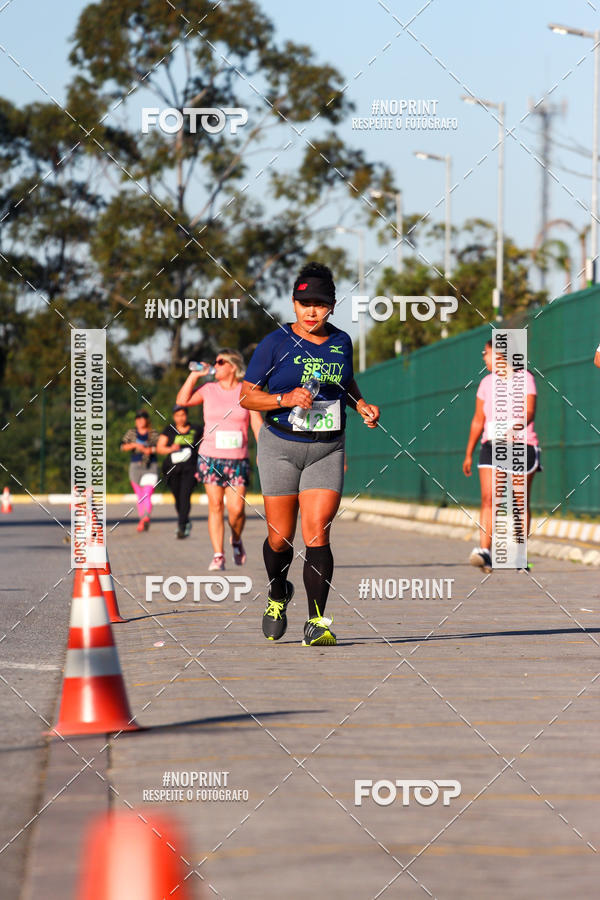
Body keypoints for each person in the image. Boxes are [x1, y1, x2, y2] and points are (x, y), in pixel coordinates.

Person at [239, 261, 380, 647]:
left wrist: (362, 405)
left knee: (317, 532)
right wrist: (284, 397)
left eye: (319, 304)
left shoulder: (341, 342)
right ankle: (276, 593)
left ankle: (317, 622)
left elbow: (344, 383)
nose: (311, 311)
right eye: (304, 304)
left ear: (333, 305)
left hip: (327, 448)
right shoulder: (275, 343)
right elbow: (247, 395)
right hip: (280, 447)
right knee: (280, 537)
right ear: (293, 304)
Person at [176, 349, 263, 570]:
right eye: (215, 361)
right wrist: (195, 375)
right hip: (210, 456)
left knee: (236, 510)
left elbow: (256, 423)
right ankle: (218, 555)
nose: (215, 364)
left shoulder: (246, 391)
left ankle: (236, 540)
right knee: (215, 506)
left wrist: (263, 449)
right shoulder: (208, 389)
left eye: (220, 362)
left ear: (233, 366)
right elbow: (182, 400)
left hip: (237, 459)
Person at [462, 340, 541, 573]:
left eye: (485, 353)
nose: (483, 358)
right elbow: (478, 420)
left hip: (521, 445)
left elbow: (529, 411)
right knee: (489, 498)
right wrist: (468, 452)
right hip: (491, 446)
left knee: (519, 502)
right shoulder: (486, 383)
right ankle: (485, 552)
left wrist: (513, 429)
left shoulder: (525, 378)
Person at [156, 405, 203, 539]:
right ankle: (185, 520)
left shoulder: (196, 429)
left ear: (187, 415)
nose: (180, 418)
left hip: (190, 469)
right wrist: (171, 448)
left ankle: (181, 526)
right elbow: (160, 448)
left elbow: (206, 440)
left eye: (183, 415)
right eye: (177, 415)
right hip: (172, 469)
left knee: (185, 496)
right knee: (177, 497)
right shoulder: (169, 430)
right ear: (174, 417)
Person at [120, 410, 160, 531]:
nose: (140, 421)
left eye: (143, 418)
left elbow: (161, 447)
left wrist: (151, 450)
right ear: (135, 421)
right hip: (135, 467)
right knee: (140, 495)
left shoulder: (153, 433)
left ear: (147, 420)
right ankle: (142, 519)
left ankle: (145, 518)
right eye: (138, 418)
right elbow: (122, 447)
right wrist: (134, 445)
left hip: (150, 466)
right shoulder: (131, 433)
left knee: (147, 493)